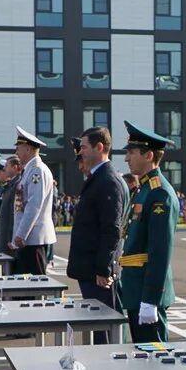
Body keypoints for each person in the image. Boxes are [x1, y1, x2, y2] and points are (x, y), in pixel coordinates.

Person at [118, 121, 178, 370]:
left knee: (156, 360)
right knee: (146, 358)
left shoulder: (159, 194)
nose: (127, 157)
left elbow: (160, 250)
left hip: (147, 292)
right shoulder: (144, 188)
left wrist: (151, 298)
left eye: (132, 151)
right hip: (137, 287)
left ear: (149, 155)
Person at [67, 126, 126, 340]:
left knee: (104, 332)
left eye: (83, 147)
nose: (80, 151)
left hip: (98, 274)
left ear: (99, 147)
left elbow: (111, 229)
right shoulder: (98, 178)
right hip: (91, 270)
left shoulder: (108, 181)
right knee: (96, 328)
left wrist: (103, 268)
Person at [10, 126, 56, 274]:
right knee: (24, 288)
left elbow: (33, 205)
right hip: (27, 240)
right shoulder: (29, 170)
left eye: (19, 147)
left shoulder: (37, 170)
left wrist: (21, 234)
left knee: (33, 286)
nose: (16, 151)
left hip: (33, 239)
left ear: (28, 149)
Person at [0, 155, 23, 256]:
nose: (4, 168)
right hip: (5, 235)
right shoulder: (11, 184)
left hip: (9, 237)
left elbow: (15, 214)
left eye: (7, 166)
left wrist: (11, 237)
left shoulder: (17, 185)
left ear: (15, 167)